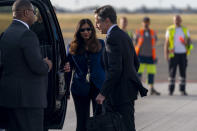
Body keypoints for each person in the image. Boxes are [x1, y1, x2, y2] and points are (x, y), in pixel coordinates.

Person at [0, 0, 52, 131]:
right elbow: (37, 67)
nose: (35, 16)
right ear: (26, 12)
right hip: (29, 100)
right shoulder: (27, 35)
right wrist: (47, 64)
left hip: (10, 98)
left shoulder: (5, 34)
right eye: (34, 13)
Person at [94, 5, 148, 131]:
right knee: (128, 126)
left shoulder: (111, 38)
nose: (96, 26)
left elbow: (115, 69)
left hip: (118, 95)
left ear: (107, 20)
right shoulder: (123, 35)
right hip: (127, 93)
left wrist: (103, 93)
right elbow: (136, 63)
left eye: (97, 22)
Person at [65, 19, 105, 131]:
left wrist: (107, 89)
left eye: (88, 29)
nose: (86, 32)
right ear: (78, 32)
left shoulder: (101, 44)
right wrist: (66, 90)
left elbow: (106, 67)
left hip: (99, 88)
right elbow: (68, 70)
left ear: (92, 30)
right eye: (82, 30)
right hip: (80, 88)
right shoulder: (71, 47)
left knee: (100, 122)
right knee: (82, 123)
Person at [164, 15, 193, 96]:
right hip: (173, 54)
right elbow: (166, 43)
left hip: (183, 54)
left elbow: (189, 41)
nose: (177, 21)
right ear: (173, 21)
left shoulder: (184, 29)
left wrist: (186, 42)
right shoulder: (170, 29)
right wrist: (166, 54)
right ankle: (171, 90)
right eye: (176, 20)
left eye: (178, 20)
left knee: (183, 72)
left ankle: (182, 90)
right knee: (172, 73)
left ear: (181, 20)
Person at [134, 17, 161, 95]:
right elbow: (134, 43)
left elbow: (155, 41)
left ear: (149, 23)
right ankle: (137, 89)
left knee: (151, 73)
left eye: (147, 22)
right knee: (138, 74)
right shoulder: (138, 32)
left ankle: (151, 88)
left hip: (150, 56)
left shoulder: (153, 32)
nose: (146, 24)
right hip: (140, 56)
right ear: (142, 23)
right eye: (144, 22)